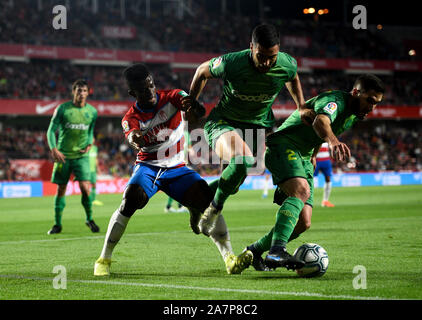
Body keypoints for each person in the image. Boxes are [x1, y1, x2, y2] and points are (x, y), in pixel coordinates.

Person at [94, 64, 253, 276]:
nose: (149, 92)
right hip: (149, 167)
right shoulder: (130, 117)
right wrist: (134, 139)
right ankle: (104, 259)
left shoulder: (173, 96)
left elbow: (197, 110)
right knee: (131, 199)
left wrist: (193, 106)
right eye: (142, 90)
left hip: (177, 168)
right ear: (132, 93)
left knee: (207, 201)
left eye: (150, 86)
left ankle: (229, 258)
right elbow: (131, 135)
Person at [187, 24, 313, 263]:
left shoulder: (287, 63)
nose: (266, 63)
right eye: (261, 57)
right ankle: (213, 210)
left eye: (272, 58)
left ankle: (197, 201)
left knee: (234, 182)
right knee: (242, 161)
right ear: (251, 47)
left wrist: (301, 105)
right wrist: (191, 102)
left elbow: (293, 77)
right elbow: (202, 70)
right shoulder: (232, 62)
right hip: (223, 122)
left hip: (256, 128)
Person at [244, 74, 385, 271]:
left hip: (304, 155)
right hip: (284, 145)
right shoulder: (335, 101)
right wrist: (334, 141)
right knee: (300, 191)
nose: (372, 107)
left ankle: (254, 251)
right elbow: (320, 122)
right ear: (355, 92)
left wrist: (314, 154)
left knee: (303, 222)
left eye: (376, 103)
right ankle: (276, 250)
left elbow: (319, 134)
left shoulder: (353, 115)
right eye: (369, 100)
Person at [46, 79, 100, 234]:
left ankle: (89, 219)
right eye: (78, 90)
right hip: (63, 156)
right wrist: (54, 149)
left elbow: (90, 132)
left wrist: (89, 143)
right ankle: (57, 224)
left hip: (81, 156)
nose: (81, 93)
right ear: (73, 92)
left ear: (88, 93)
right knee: (61, 188)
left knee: (85, 187)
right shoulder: (62, 109)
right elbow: (51, 130)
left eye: (84, 91)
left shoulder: (92, 112)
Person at [314, 142, 335, 207]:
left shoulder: (327, 137)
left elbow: (331, 147)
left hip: (326, 161)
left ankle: (325, 201)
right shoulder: (314, 135)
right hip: (316, 160)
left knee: (328, 179)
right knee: (311, 179)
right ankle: (307, 201)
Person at [88, 138, 104, 206]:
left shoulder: (95, 148)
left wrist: (98, 169)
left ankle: (93, 200)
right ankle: (88, 200)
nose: (92, 140)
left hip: (93, 170)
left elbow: (96, 159)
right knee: (87, 185)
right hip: (87, 170)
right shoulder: (86, 148)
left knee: (94, 184)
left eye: (93, 139)